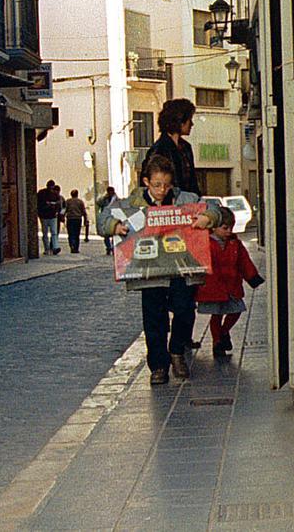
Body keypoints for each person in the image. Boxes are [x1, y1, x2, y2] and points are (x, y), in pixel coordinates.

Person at [98, 155, 218, 385]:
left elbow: (216, 209)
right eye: (157, 185)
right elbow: (104, 217)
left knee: (185, 311)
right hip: (149, 273)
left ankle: (176, 352)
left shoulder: (185, 199)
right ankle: (158, 366)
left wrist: (207, 217)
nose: (162, 190)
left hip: (183, 269)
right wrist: (115, 225)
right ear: (146, 182)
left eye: (166, 184)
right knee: (154, 320)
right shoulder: (133, 203)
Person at [195, 206, 265, 358]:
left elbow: (244, 261)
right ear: (213, 227)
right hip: (212, 287)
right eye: (225, 228)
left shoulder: (235, 243)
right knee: (216, 314)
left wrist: (252, 277)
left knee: (236, 310)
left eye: (231, 228)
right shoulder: (205, 243)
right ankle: (217, 342)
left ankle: (224, 331)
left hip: (232, 284)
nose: (229, 231)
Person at [142, 98, 201, 196]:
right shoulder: (159, 149)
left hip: (188, 203)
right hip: (168, 206)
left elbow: (192, 182)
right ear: (180, 121)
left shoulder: (186, 147)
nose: (192, 124)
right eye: (189, 120)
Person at [36, 180, 63, 255]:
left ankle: (51, 248)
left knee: (47, 233)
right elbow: (59, 203)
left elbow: (59, 203)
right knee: (51, 232)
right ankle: (51, 248)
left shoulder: (42, 193)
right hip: (49, 215)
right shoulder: (44, 193)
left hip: (47, 215)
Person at [63, 189, 88, 253]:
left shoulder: (68, 201)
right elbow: (84, 212)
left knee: (70, 233)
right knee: (77, 234)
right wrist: (85, 220)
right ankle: (76, 247)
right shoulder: (80, 202)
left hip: (70, 219)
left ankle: (72, 245)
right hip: (77, 219)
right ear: (77, 194)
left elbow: (64, 210)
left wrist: (62, 217)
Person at [96, 186, 118, 255]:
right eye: (109, 192)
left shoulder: (116, 199)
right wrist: (104, 198)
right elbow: (98, 203)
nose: (110, 193)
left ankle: (113, 247)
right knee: (106, 234)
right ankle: (108, 247)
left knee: (114, 234)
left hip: (114, 217)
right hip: (105, 217)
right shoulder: (105, 199)